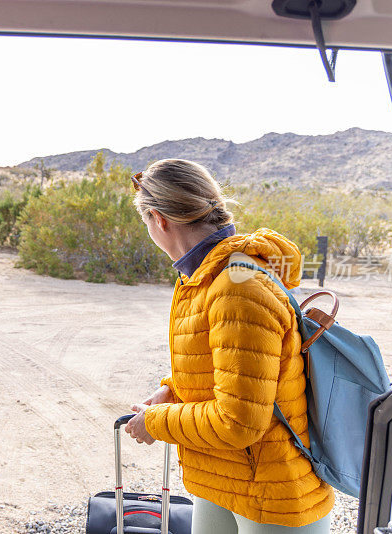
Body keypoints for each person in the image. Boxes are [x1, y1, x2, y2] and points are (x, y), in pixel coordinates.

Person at [123, 159, 334, 533]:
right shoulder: (202, 276)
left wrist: (156, 423)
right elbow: (226, 364)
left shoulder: (237, 288)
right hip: (221, 475)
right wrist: (171, 389)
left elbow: (238, 422)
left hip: (271, 494)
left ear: (159, 220)